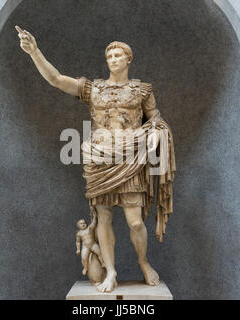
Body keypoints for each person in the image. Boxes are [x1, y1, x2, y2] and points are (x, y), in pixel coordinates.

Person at [16, 26, 175, 293]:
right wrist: (34, 52)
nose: (112, 59)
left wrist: (155, 135)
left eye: (118, 55)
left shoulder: (142, 91)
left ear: (128, 60)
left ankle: (143, 261)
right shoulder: (93, 89)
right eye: (109, 55)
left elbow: (158, 122)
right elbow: (56, 79)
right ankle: (111, 272)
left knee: (135, 221)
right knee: (103, 217)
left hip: (131, 158)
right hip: (99, 159)